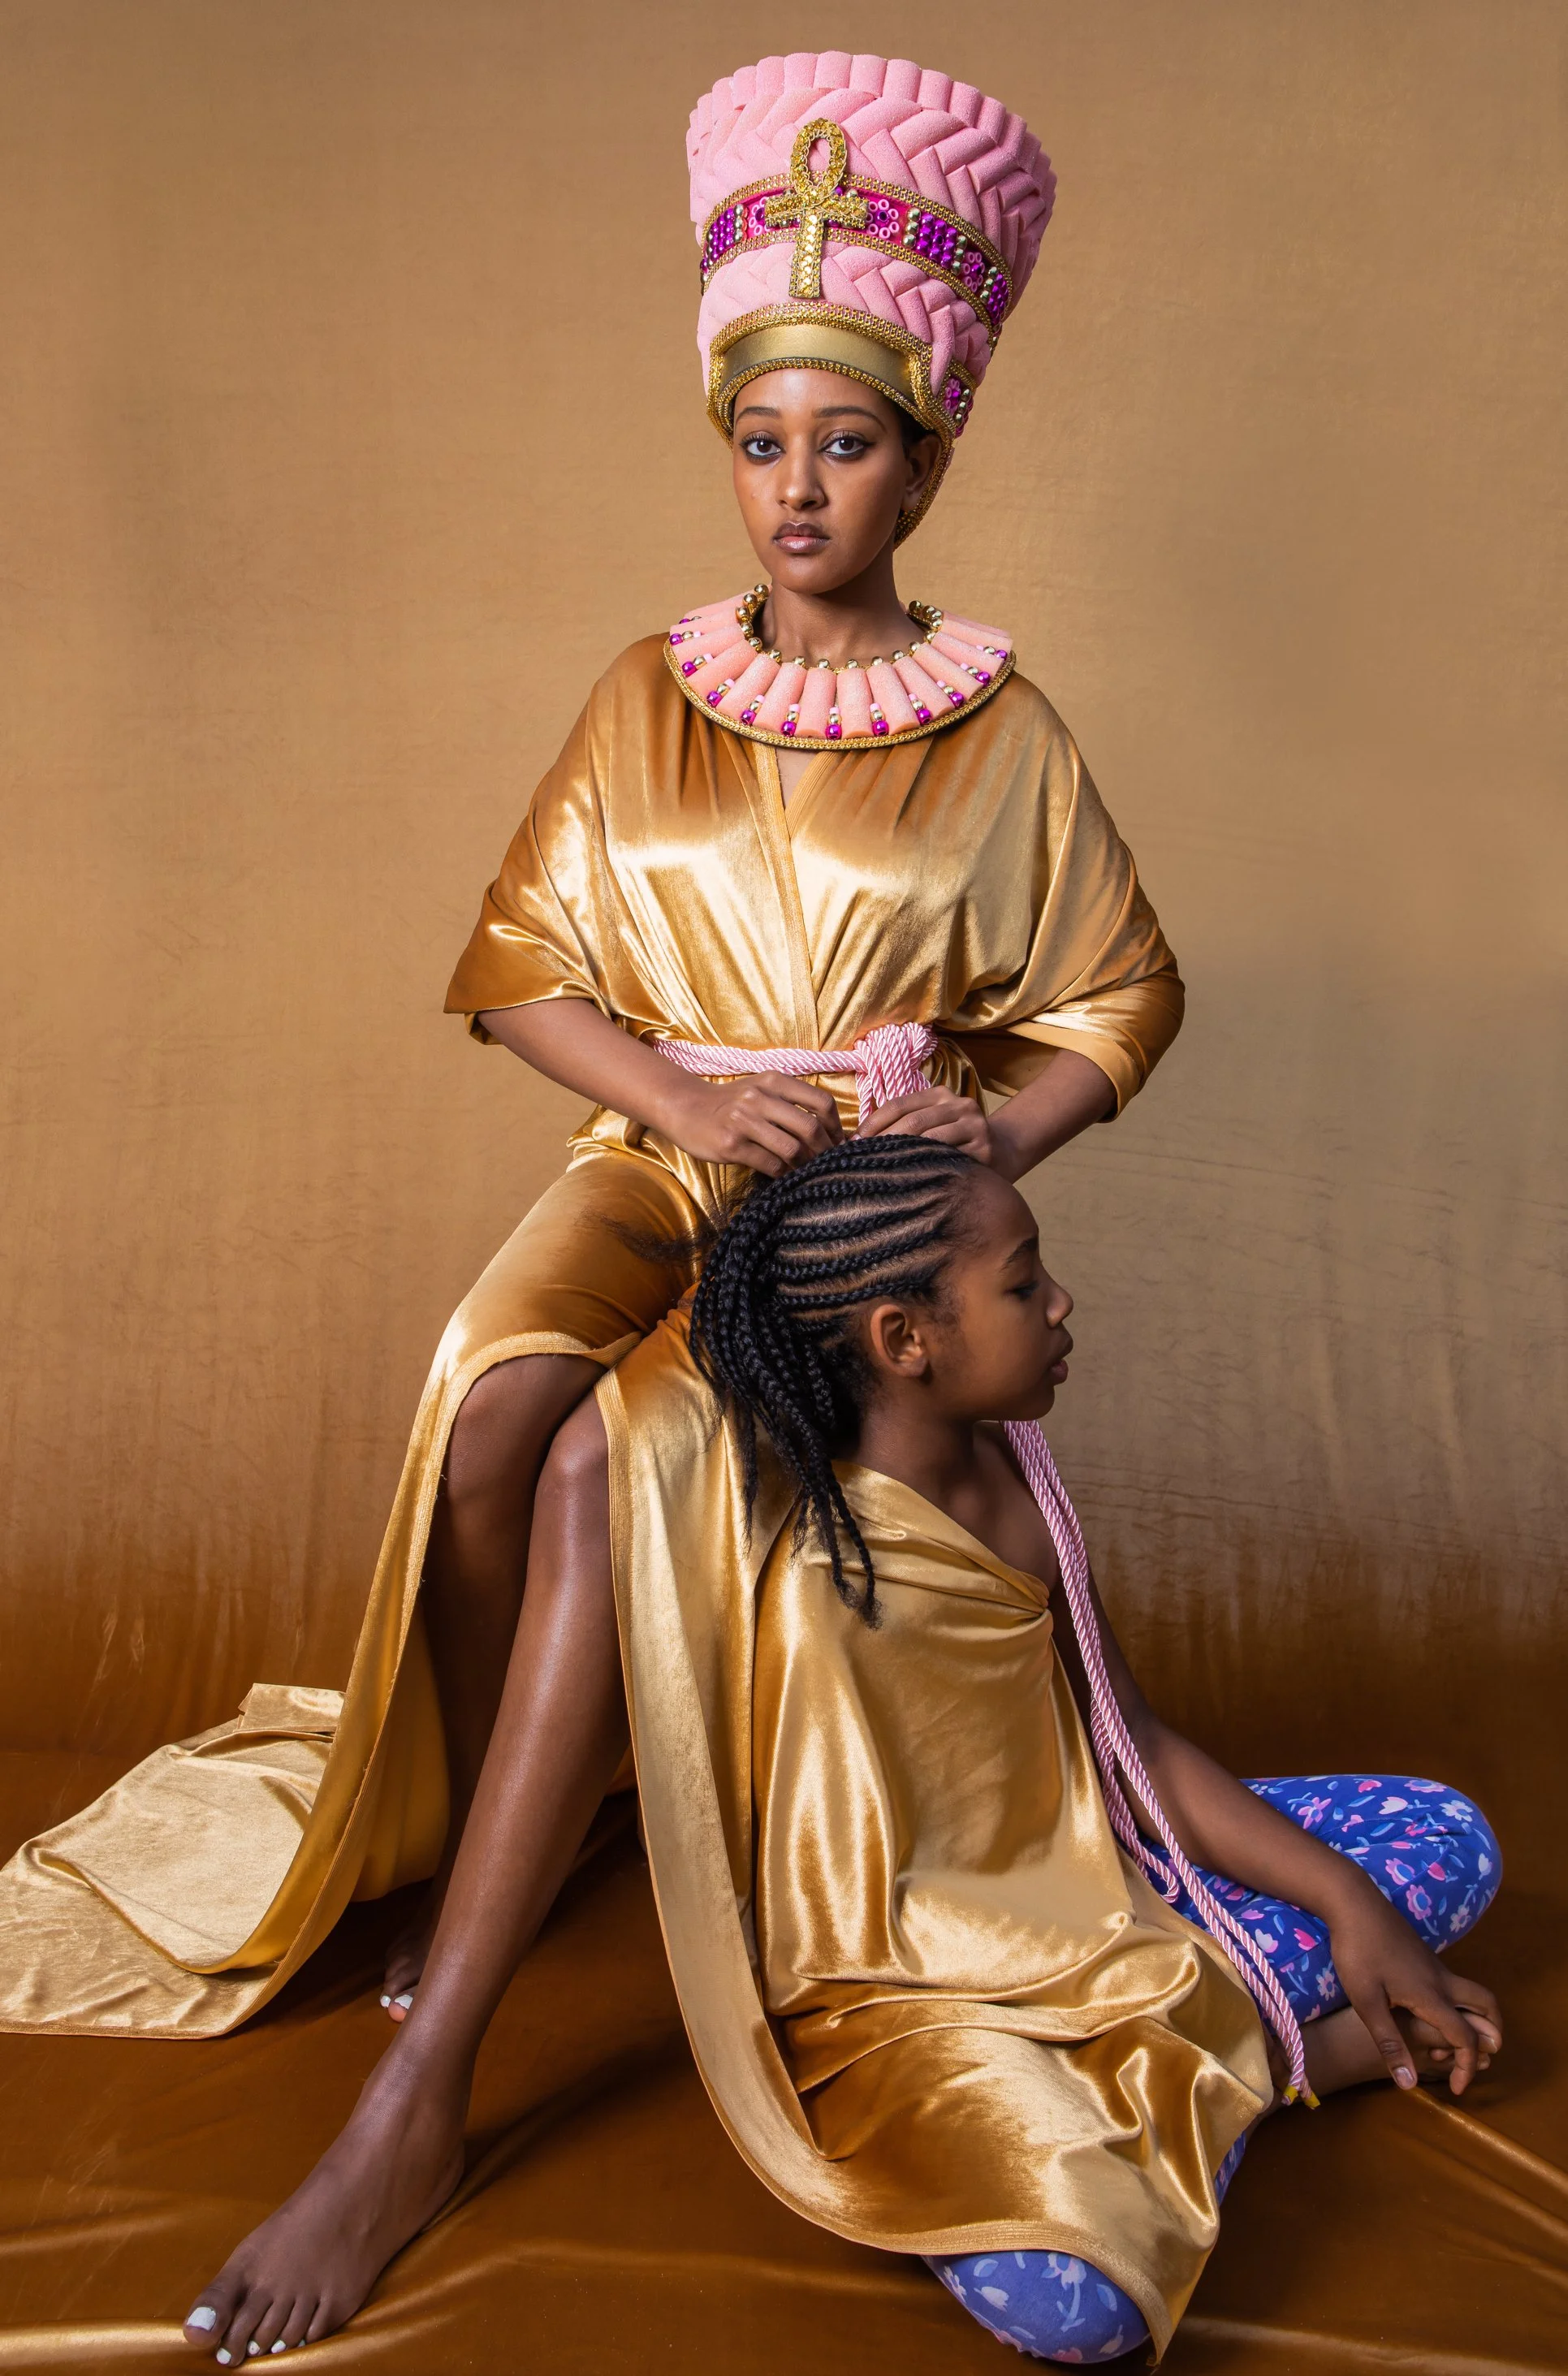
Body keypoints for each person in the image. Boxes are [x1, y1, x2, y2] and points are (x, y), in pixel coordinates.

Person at [0, 55, 1180, 2041]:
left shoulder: (1002, 732)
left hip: (850, 1205)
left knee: (606, 1456)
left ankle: (582, 1821)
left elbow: (1121, 994)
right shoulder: (648, 690)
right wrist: (687, 1095)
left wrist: (981, 1149)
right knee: (492, 1397)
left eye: (845, 445)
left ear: (921, 466)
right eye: (758, 441)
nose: (796, 488)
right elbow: (521, 970)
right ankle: (479, 1823)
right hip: (655, 1150)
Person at [179, 1137, 1502, 2362]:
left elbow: (1132, 1741)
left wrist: (1346, 1897)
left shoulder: (1023, 1482)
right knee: (1079, 2306)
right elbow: (609, 1477)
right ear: (901, 1337)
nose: (1060, 1304)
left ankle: (1194, 2050)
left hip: (1099, 1897)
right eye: (1022, 1282)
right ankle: (1265, 2055)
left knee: (1448, 1837)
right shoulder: (764, 1528)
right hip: (916, 1990)